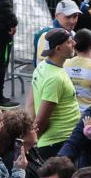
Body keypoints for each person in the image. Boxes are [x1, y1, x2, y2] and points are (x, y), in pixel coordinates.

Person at [31, 30, 82, 166]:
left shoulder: (41, 67)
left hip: (56, 142)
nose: (74, 43)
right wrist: (33, 140)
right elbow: (41, 119)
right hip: (58, 144)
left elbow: (30, 103)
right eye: (69, 42)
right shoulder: (55, 78)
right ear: (58, 48)